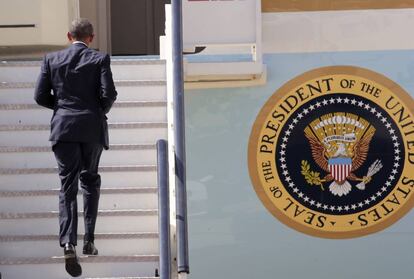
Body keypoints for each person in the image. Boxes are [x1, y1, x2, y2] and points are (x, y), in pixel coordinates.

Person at [34, 18, 117, 277]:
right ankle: (89, 240)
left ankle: (68, 243)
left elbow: (39, 95)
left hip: (64, 129)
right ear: (91, 37)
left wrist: (62, 110)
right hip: (91, 128)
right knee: (90, 180)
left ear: (69, 36)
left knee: (67, 186)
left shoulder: (51, 59)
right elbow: (110, 94)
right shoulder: (100, 59)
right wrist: (94, 112)